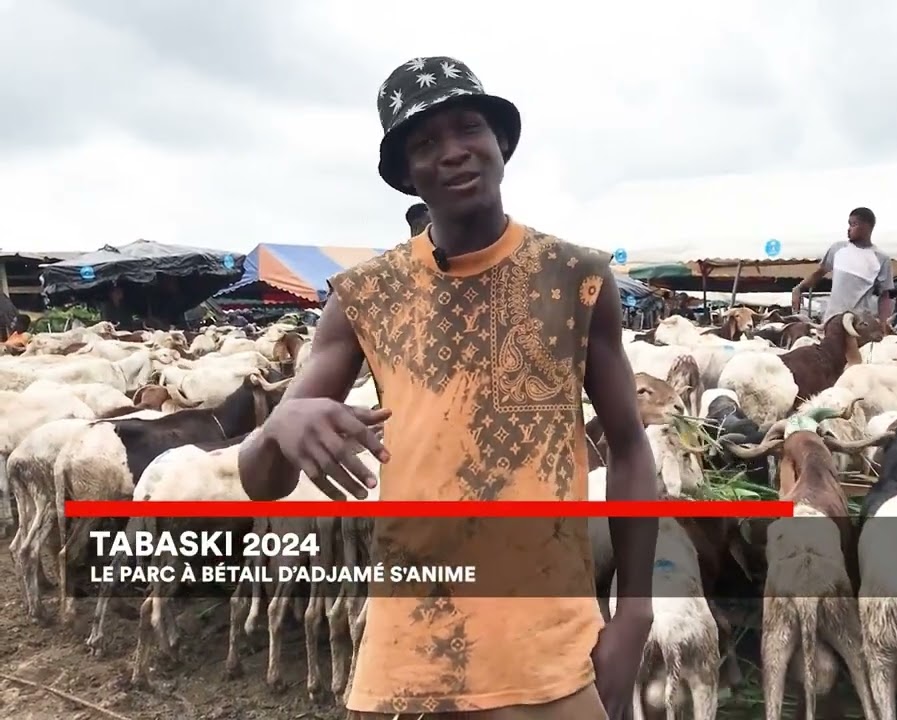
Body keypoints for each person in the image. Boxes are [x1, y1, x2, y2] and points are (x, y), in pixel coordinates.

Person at [237, 56, 657, 720]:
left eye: (469, 129)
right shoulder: (364, 298)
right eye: (426, 143)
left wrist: (633, 614)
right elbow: (261, 481)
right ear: (405, 173)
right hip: (409, 658)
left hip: (551, 651)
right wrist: (275, 428)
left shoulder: (577, 278)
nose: (454, 152)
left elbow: (631, 449)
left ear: (502, 143)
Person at [791, 207, 893, 330]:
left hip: (859, 324)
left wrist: (883, 324)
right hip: (832, 321)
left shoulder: (881, 258)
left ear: (867, 227)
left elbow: (884, 295)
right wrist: (798, 288)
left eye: (853, 224)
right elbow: (819, 273)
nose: (848, 229)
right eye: (849, 224)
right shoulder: (838, 249)